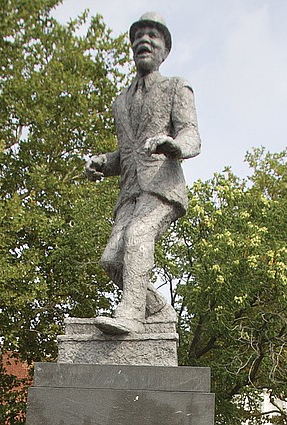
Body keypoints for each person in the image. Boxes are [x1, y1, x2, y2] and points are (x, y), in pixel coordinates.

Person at [85, 12, 201, 334]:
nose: (144, 41)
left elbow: (192, 134)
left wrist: (173, 145)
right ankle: (157, 308)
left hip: (162, 186)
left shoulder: (177, 87)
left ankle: (131, 315)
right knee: (112, 260)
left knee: (138, 237)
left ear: (165, 50)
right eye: (139, 35)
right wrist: (104, 164)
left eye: (153, 35)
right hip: (130, 191)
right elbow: (128, 153)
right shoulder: (120, 101)